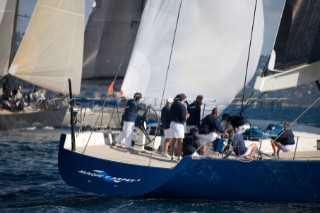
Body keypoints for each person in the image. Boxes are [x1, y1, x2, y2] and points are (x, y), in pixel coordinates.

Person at [170, 93, 189, 161]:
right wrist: (187, 116)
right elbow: (183, 118)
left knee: (173, 140)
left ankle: (171, 155)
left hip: (172, 123)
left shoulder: (173, 105)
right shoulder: (182, 106)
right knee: (180, 140)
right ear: (183, 99)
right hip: (179, 125)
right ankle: (179, 156)